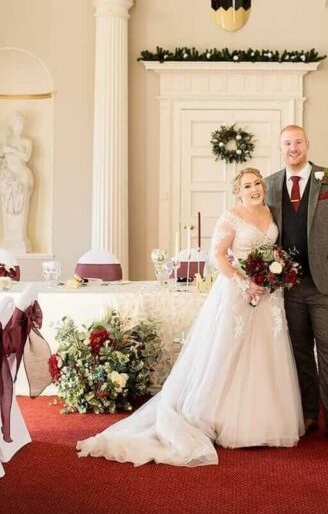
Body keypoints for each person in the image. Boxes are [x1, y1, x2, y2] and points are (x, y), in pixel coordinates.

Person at [75, 168, 303, 467]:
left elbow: (273, 251)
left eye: (257, 183)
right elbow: (218, 255)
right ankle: (223, 420)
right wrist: (245, 283)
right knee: (229, 353)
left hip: (268, 298)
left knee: (264, 354)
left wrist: (274, 274)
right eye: (247, 186)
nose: (254, 189)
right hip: (237, 292)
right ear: (238, 192)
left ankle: (265, 421)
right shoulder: (230, 216)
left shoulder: (271, 213)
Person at [264, 125, 328, 446]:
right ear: (280, 148)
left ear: (308, 144)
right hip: (289, 287)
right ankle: (307, 414)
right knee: (300, 354)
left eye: (297, 142)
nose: (292, 148)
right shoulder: (270, 185)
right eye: (286, 143)